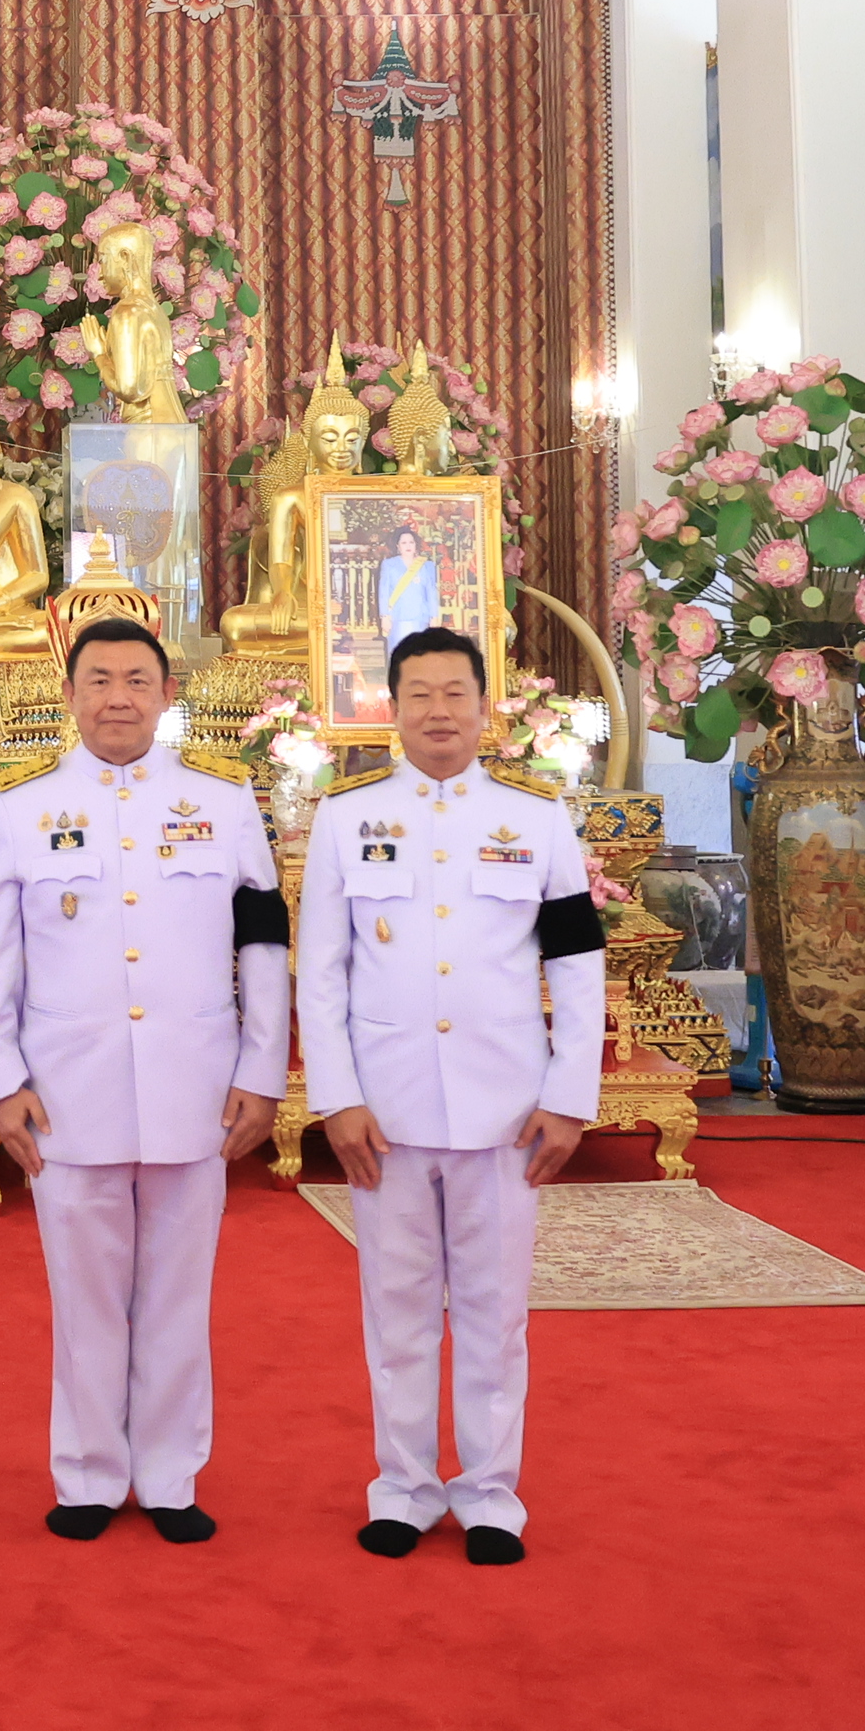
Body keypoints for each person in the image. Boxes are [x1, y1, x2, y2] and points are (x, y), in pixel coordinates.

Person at [294, 627, 605, 1566]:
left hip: (505, 1107)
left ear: (484, 707)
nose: (438, 711)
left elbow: (579, 970)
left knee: (493, 1311)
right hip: (383, 1113)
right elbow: (323, 972)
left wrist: (570, 1095)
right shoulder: (347, 821)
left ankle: (489, 1496)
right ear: (391, 708)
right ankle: (402, 1488)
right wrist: (336, 1098)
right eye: (418, 694)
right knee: (395, 1308)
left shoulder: (539, 819)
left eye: (455, 694)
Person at [0, 618, 287, 1541]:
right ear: (68, 697)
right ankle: (88, 1475)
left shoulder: (225, 805)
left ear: (167, 694)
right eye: (99, 679)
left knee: (180, 1296)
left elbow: (263, 945)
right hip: (69, 1091)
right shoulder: (20, 809)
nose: (118, 696)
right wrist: (0, 1078)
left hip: (197, 1085)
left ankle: (172, 1474)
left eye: (137, 679)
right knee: (85, 1294)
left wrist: (263, 1070)